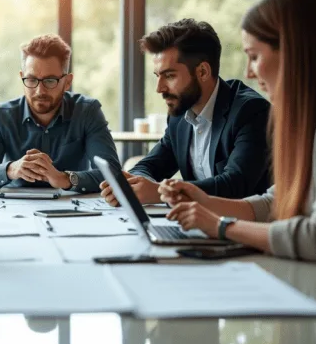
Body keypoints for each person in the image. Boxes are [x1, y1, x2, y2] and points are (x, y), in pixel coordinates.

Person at [159, 0, 316, 297]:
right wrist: (203, 202)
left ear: (293, 50)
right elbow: (277, 201)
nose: (249, 72)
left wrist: (220, 225)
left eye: (255, 57)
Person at [100, 19, 271, 205]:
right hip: (197, 224)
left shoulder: (251, 112)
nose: (159, 88)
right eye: (158, 76)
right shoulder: (180, 115)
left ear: (203, 72)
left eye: (170, 76)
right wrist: (131, 185)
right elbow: (149, 166)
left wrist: (159, 192)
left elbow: (236, 185)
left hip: (246, 227)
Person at [0, 34, 121, 193]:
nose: (40, 91)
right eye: (32, 80)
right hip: (13, 207)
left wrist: (64, 179)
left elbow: (113, 174)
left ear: (67, 82)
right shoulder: (1, 116)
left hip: (71, 206)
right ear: (22, 77)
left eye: (50, 81)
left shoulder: (87, 111)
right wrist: (10, 170)